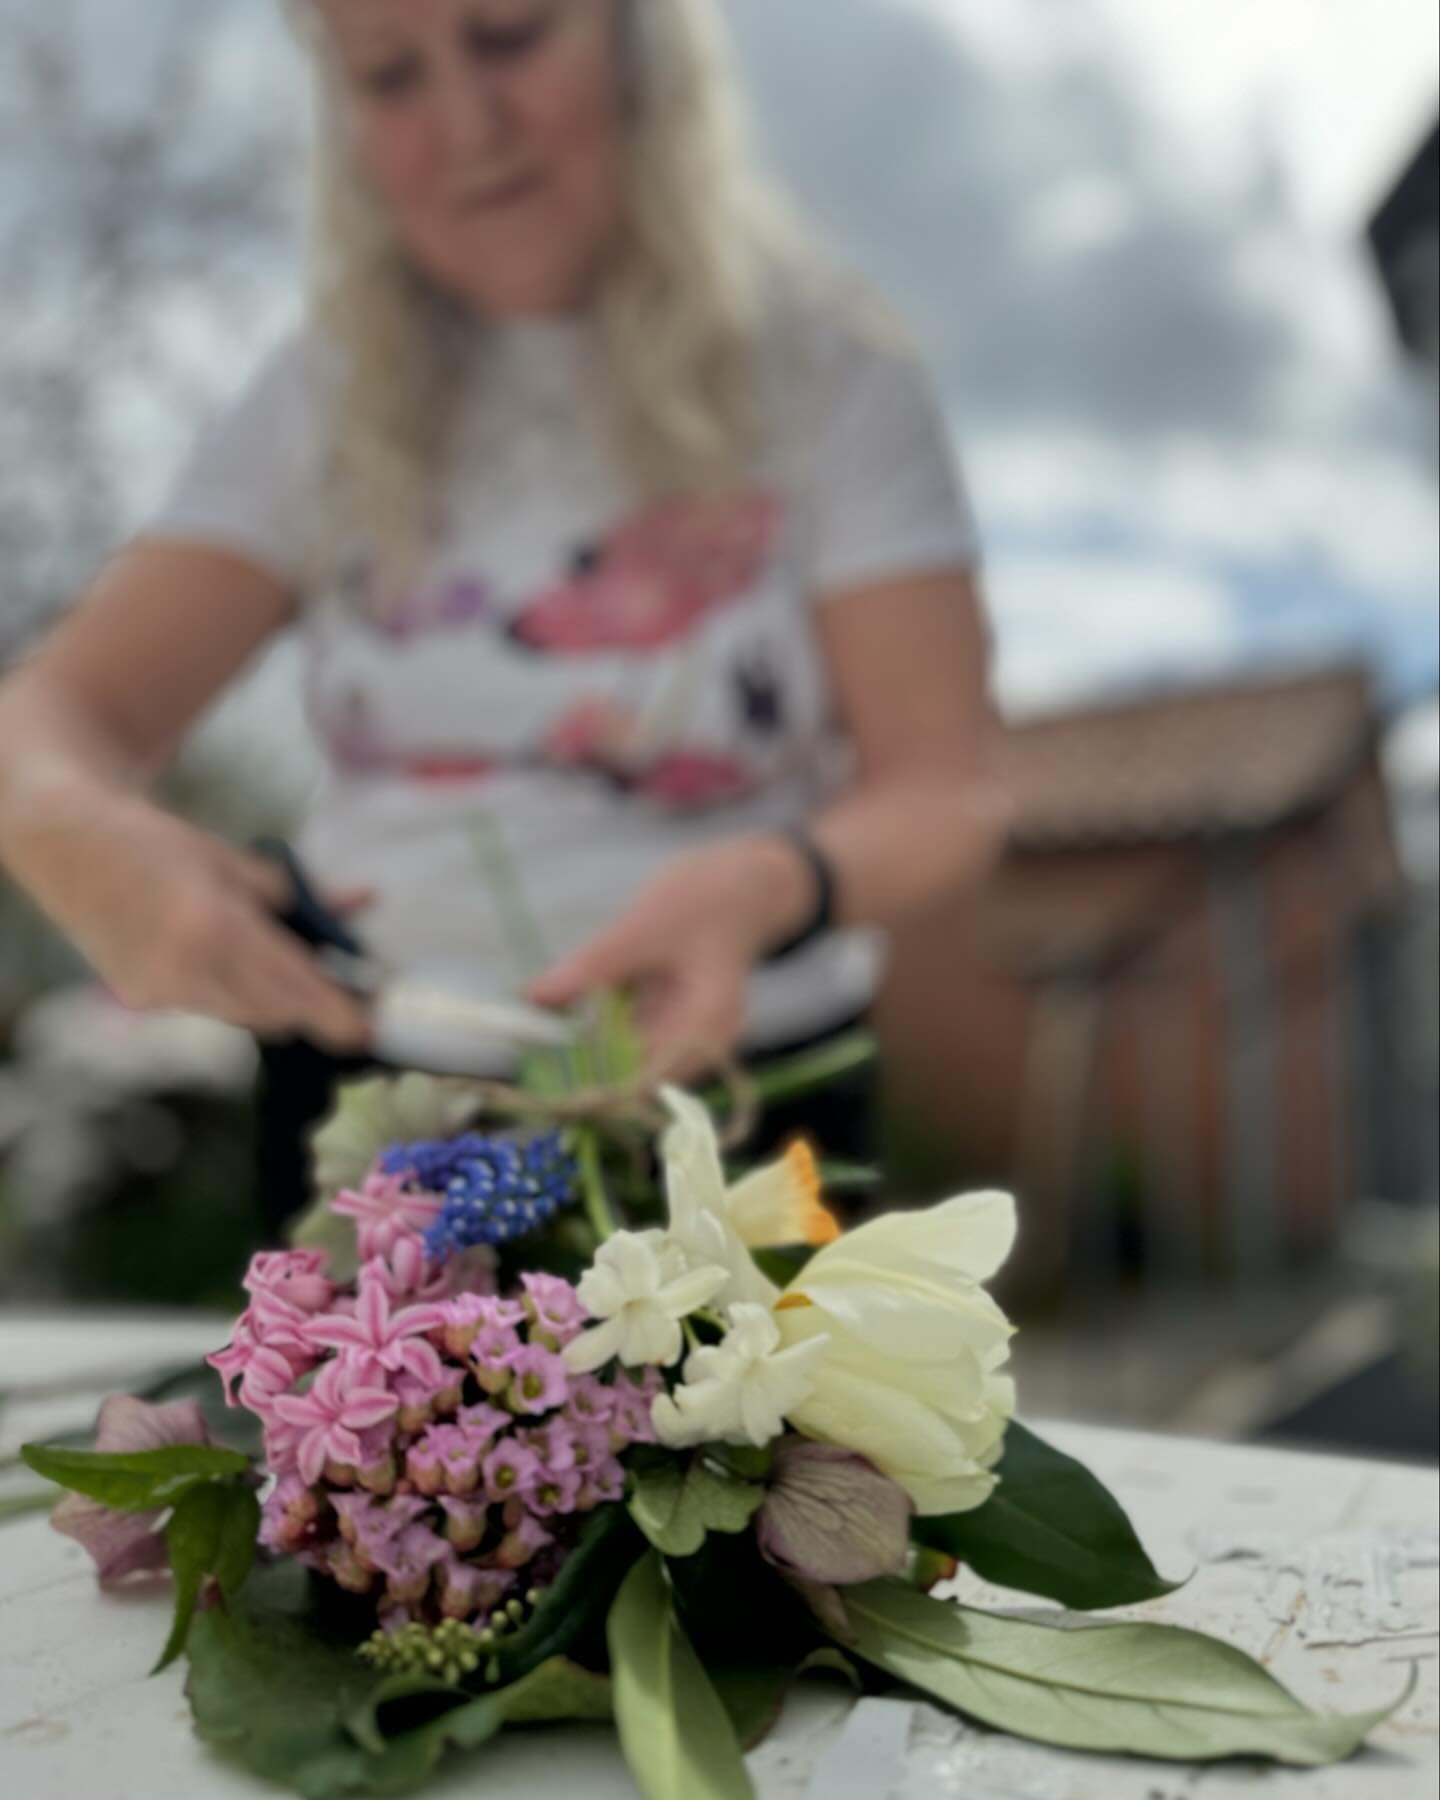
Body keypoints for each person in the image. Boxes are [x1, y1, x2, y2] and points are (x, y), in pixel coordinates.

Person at [0, 0, 1008, 1229]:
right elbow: (58, 711)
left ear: (640, 43)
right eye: (389, 75)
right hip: (378, 1111)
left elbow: (947, 788)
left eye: (512, 36)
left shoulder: (833, 372)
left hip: (734, 1107)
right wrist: (68, 828)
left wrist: (766, 882)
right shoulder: (316, 396)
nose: (470, 125)